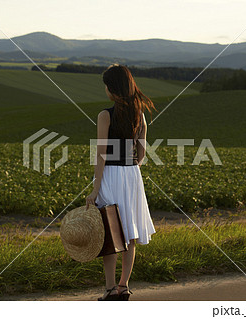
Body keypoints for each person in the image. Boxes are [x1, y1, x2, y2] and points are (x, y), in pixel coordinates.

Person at [85, 64, 156, 301]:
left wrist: (95, 189)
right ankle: (123, 287)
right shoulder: (140, 116)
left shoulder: (105, 115)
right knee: (129, 231)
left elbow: (101, 155)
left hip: (112, 175)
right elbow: (142, 155)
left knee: (110, 233)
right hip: (132, 175)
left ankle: (108, 288)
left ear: (112, 89)